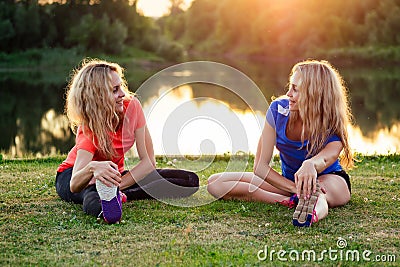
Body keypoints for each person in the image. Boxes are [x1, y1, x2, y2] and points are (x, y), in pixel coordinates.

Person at [207, 59, 353, 227]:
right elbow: (260, 167)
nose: (288, 94)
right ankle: (289, 201)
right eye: (290, 87)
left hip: (329, 181)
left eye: (296, 89)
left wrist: (311, 164)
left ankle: (311, 215)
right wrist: (293, 188)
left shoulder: (332, 124)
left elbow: (327, 157)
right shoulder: (278, 110)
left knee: (318, 195)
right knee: (216, 183)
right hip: (289, 184)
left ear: (314, 93)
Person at [56, 59, 199, 224]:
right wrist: (93, 168)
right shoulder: (89, 128)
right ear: (98, 96)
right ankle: (107, 208)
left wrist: (118, 184)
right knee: (92, 195)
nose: (123, 94)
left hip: (114, 178)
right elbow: (74, 184)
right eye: (115, 90)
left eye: (121, 87)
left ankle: (118, 194)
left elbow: (148, 162)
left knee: (189, 181)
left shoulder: (132, 107)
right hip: (75, 175)